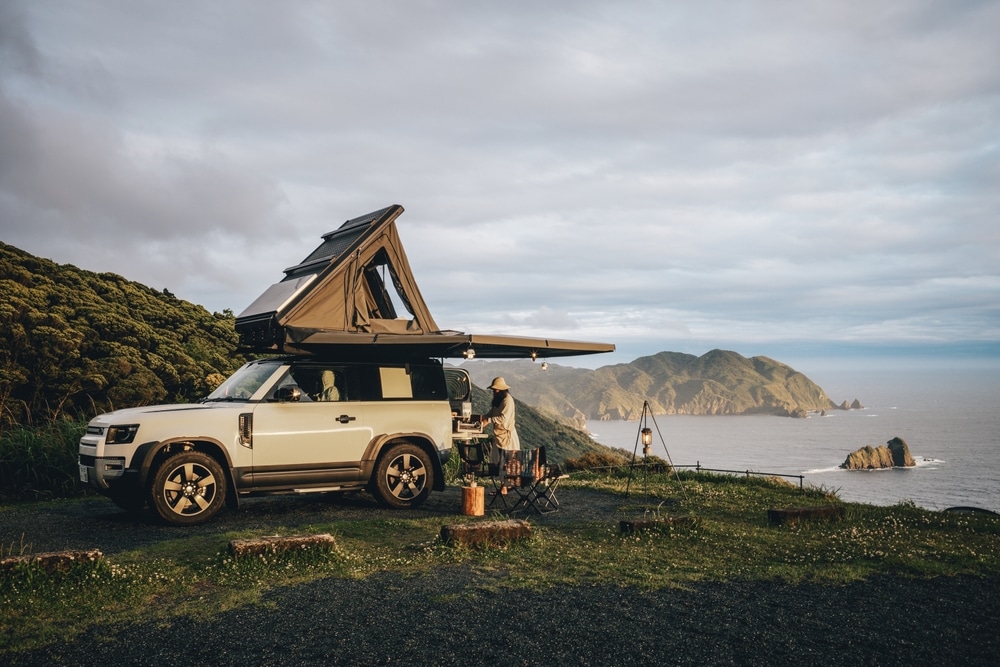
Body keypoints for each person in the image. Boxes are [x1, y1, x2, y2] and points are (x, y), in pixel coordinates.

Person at [481, 376, 520, 460]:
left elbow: (503, 418)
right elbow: (492, 413)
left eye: (496, 390)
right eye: (494, 390)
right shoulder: (499, 400)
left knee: (509, 461)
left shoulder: (507, 400)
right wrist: (482, 417)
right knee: (496, 460)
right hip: (499, 434)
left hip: (507, 435)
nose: (495, 392)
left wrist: (488, 420)